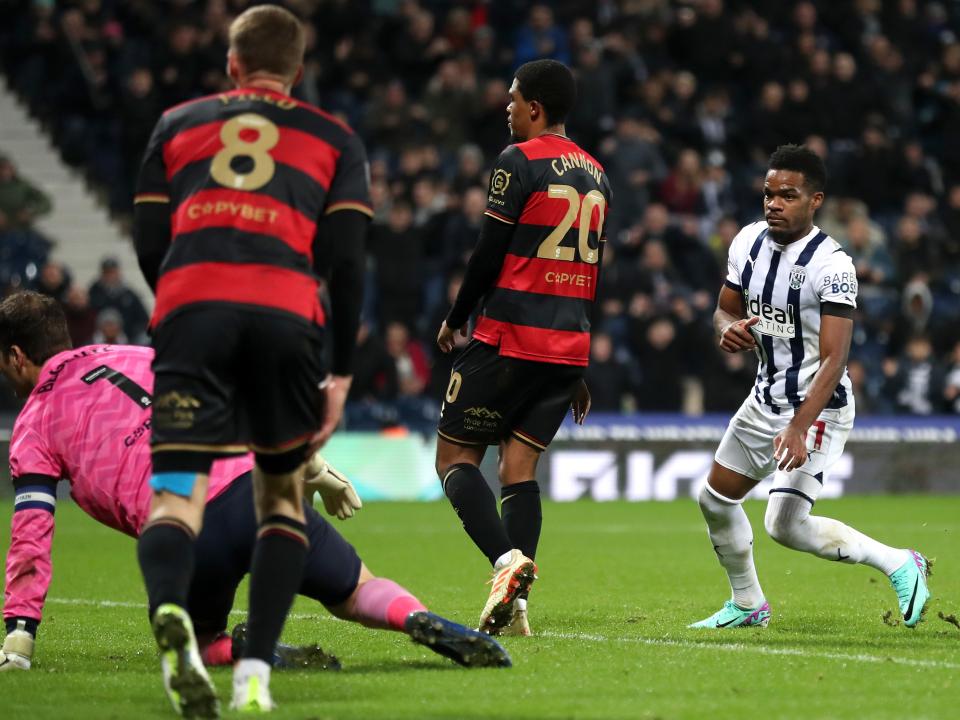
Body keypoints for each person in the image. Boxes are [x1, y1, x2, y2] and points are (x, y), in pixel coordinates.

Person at [0, 292, 510, 677]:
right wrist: (314, 468)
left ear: (17, 356)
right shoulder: (130, 355)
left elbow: (31, 534)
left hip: (185, 525)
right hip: (258, 487)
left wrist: (20, 637)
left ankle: (242, 649)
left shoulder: (32, 426)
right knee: (357, 590)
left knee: (194, 644)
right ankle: (416, 618)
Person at [131, 6, 371, 714]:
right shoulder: (332, 136)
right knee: (280, 499)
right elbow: (349, 261)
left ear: (232, 64)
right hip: (286, 312)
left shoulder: (177, 124)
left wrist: (187, 299)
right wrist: (342, 370)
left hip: (190, 309)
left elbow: (149, 241)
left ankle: (171, 613)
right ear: (297, 73)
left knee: (177, 497)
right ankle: (254, 676)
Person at [691, 145, 931, 630]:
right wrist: (725, 328)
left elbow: (835, 358)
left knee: (782, 524)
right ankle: (747, 603)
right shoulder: (747, 243)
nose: (774, 203)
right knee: (714, 499)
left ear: (815, 200)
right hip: (764, 400)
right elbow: (724, 308)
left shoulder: (832, 264)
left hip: (819, 410)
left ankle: (900, 563)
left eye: (788, 195)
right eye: (768, 193)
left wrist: (800, 427)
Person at [435, 59, 611, 637]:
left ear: (535, 107)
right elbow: (591, 270)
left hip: (508, 337)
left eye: (512, 99)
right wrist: (579, 361)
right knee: (519, 467)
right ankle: (516, 610)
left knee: (456, 460)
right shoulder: (598, 175)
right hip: (566, 348)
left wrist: (457, 318)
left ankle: (506, 562)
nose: (506, 108)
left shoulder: (518, 160)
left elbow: (489, 250)